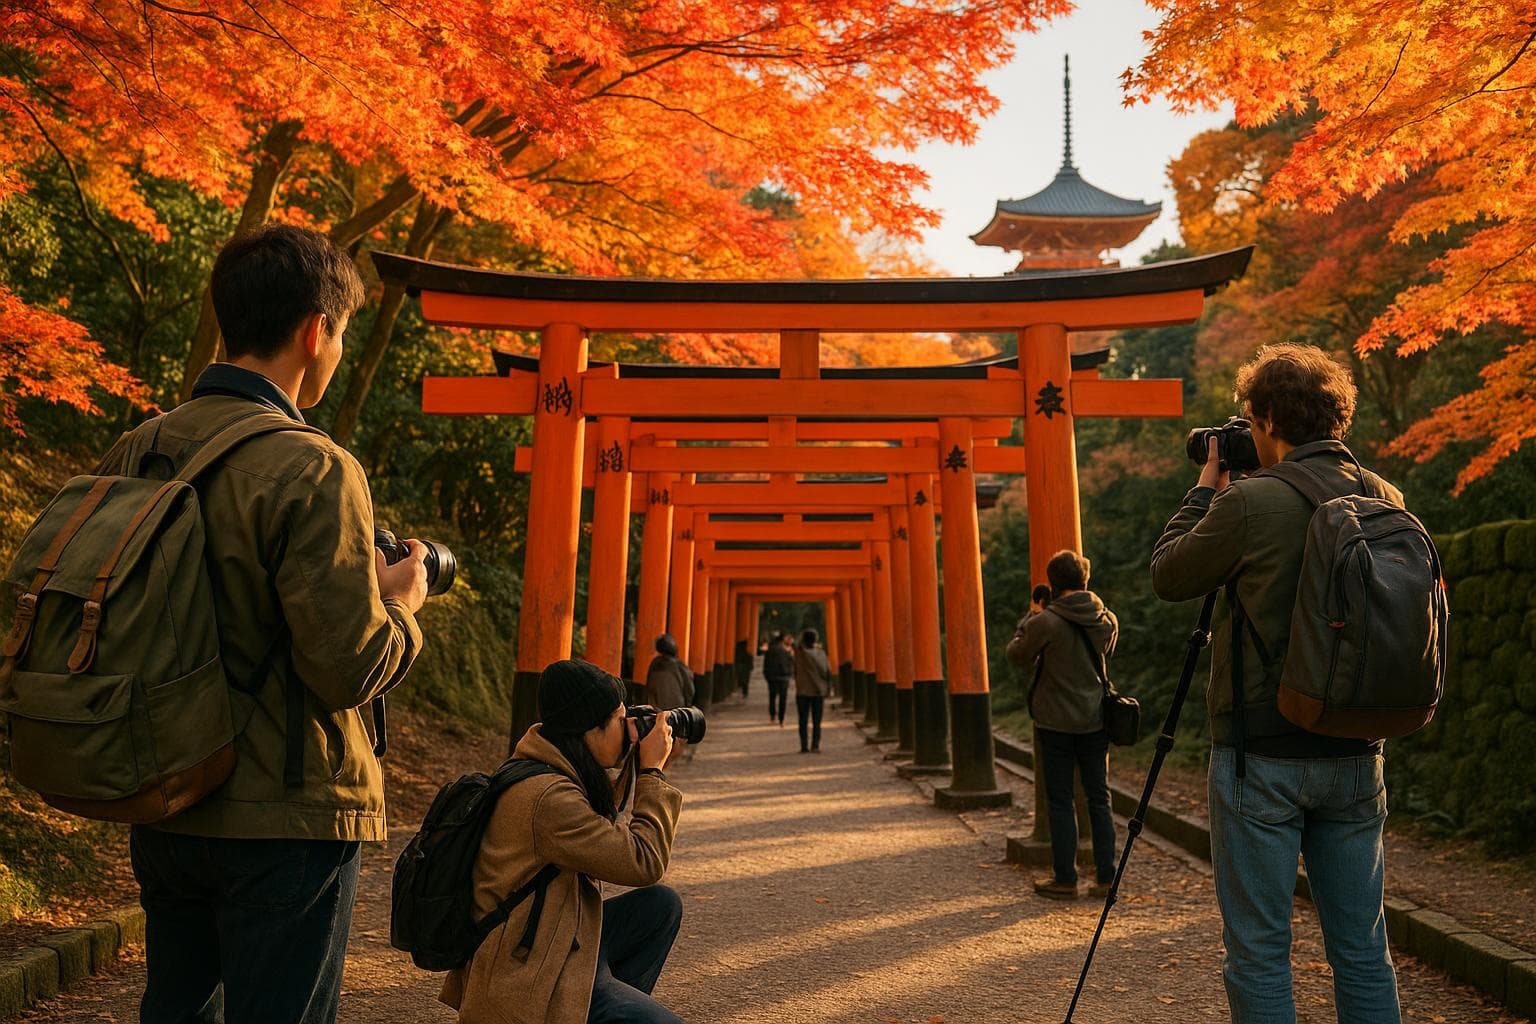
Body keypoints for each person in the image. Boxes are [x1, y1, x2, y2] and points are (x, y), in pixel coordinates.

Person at [92, 224, 428, 1023]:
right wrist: (400, 607)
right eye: (343, 333)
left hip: (164, 792)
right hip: (285, 810)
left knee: (176, 1009)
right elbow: (345, 666)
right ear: (318, 330)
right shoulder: (313, 466)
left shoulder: (138, 448)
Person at [1150, 343, 1403, 1024]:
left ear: (1265, 418)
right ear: (1335, 416)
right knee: (1361, 947)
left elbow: (1169, 574)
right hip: (1358, 748)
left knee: (1260, 949)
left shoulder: (1252, 503)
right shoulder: (1383, 496)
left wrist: (1206, 485)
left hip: (1261, 750)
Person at [442, 660, 685, 1024]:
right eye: (620, 721)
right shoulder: (548, 799)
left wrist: (629, 753)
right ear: (589, 730)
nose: (628, 729)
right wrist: (652, 772)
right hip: (533, 970)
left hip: (563, 937)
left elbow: (603, 828)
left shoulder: (547, 763)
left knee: (660, 906)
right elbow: (643, 861)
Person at [1005, 551, 1119, 900]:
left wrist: (1032, 614)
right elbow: (1108, 653)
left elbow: (1017, 655)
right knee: (1099, 798)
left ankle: (1065, 877)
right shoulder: (1105, 619)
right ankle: (1105, 877)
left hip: (1054, 721)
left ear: (1052, 583)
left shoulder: (1046, 622)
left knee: (1060, 800)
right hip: (1095, 719)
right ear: (1085, 580)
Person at [792, 629, 832, 753]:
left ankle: (804, 746)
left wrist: (802, 636)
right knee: (817, 720)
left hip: (803, 691)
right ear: (815, 640)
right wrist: (828, 687)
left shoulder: (800, 653)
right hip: (818, 691)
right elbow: (828, 672)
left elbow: (795, 643)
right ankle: (815, 745)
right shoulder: (821, 653)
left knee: (803, 720)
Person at [644, 634, 695, 711]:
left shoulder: (655, 663)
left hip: (657, 709)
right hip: (677, 710)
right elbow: (689, 689)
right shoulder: (679, 666)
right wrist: (687, 705)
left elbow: (649, 688)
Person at [762, 632, 794, 726]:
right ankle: (781, 718)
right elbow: (791, 663)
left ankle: (772, 715)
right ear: (781, 641)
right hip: (784, 678)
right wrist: (790, 674)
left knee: (772, 697)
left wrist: (767, 676)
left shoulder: (769, 651)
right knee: (783, 699)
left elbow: (766, 664)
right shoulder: (786, 651)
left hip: (772, 678)